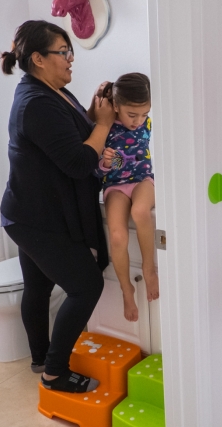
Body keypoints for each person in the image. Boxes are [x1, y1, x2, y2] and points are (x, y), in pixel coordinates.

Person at [0, 20, 116, 393]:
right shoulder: (36, 103)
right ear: (38, 58)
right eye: (63, 53)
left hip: (29, 209)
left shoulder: (52, 92)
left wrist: (96, 119)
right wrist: (105, 123)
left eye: (70, 52)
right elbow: (78, 162)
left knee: (37, 286)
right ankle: (53, 373)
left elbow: (74, 138)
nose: (70, 60)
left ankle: (38, 357)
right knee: (85, 286)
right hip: (36, 217)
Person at [93, 73, 157, 322]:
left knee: (140, 212)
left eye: (144, 114)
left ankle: (149, 269)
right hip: (115, 186)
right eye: (132, 115)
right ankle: (126, 288)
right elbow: (96, 171)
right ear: (117, 106)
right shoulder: (105, 128)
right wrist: (106, 163)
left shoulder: (146, 123)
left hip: (143, 181)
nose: (138, 120)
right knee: (117, 235)